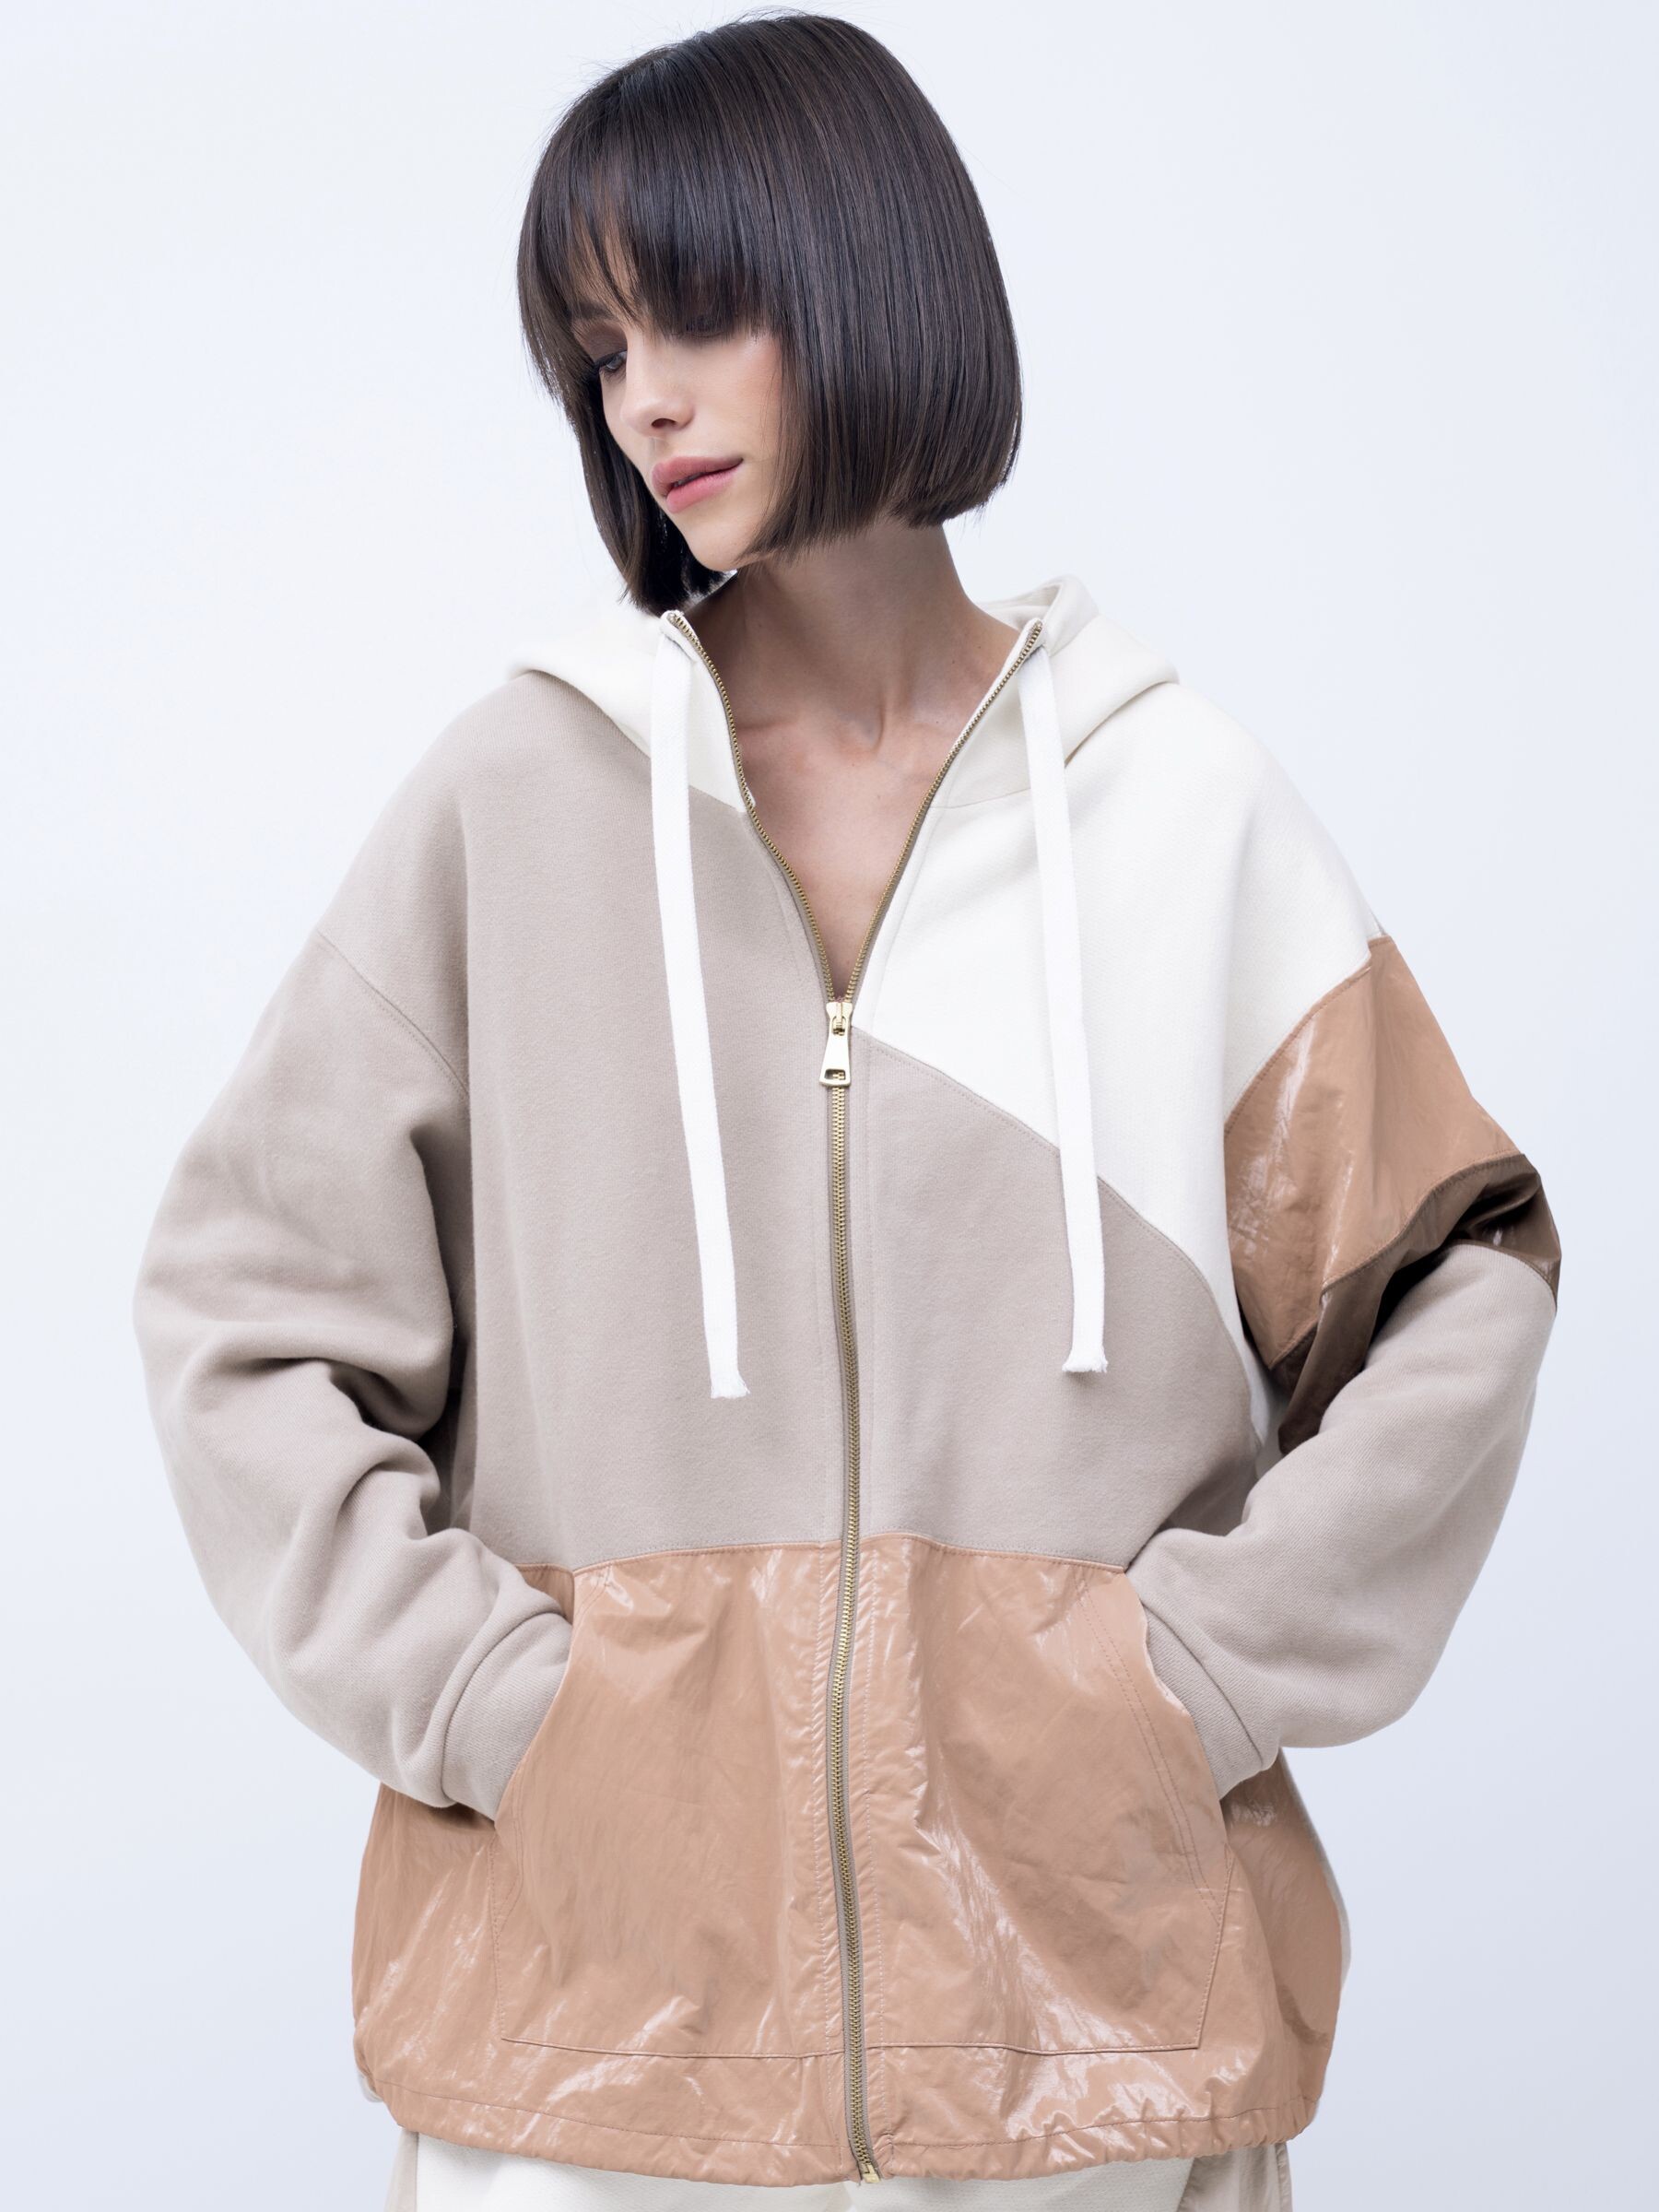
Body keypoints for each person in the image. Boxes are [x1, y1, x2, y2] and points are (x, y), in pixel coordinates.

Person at [131, 14, 1563, 2210]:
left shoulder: (1177, 810)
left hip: (1093, 2065)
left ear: (872, 275)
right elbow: (242, 1318)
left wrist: (1181, 1681)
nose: (645, 400)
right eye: (599, 350)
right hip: (592, 2070)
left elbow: (1462, 1275)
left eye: (696, 315)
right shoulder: (519, 803)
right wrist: (508, 1708)